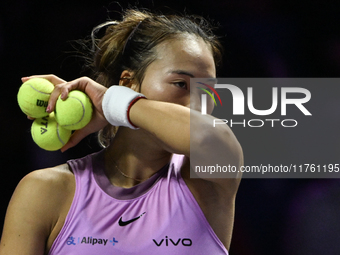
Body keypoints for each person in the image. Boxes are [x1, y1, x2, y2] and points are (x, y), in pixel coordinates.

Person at [0, 9, 243, 255]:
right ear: (128, 82)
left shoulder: (209, 182)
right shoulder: (44, 192)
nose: (196, 105)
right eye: (181, 84)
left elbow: (211, 136)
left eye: (207, 91)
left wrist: (111, 102)